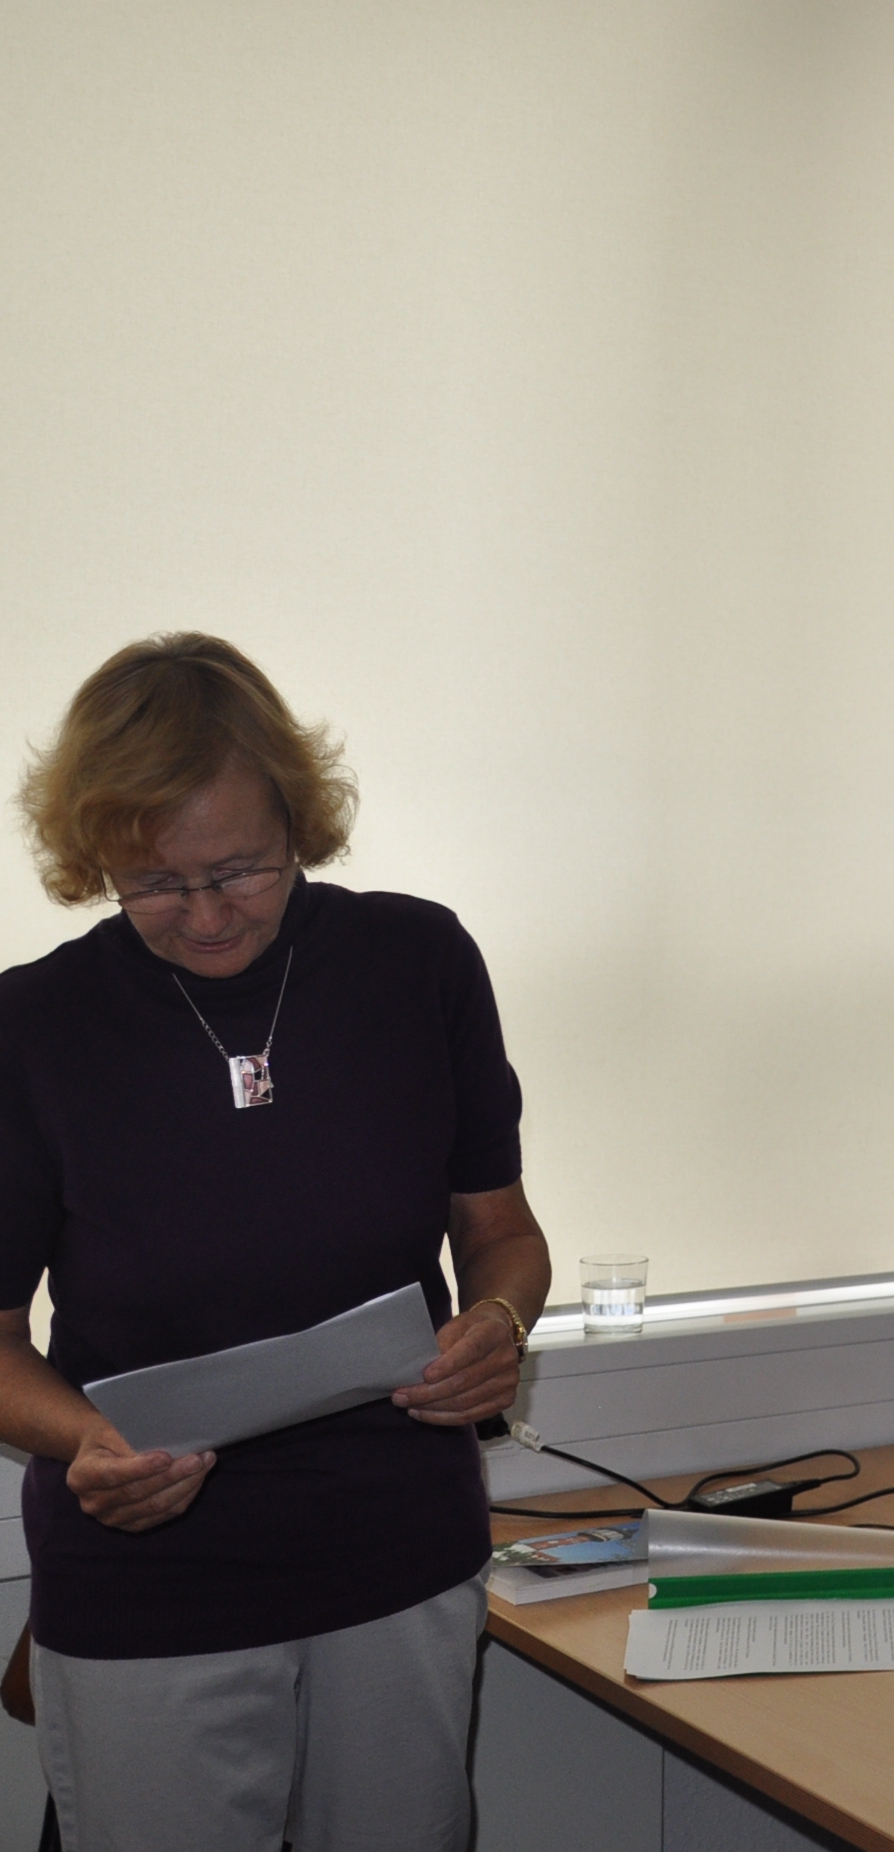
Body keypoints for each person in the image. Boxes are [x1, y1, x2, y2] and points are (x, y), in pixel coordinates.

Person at [0, 634, 551, 1850]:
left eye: (239, 870)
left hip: (397, 1550)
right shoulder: (33, 1026)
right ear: (95, 859)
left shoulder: (418, 961)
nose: (205, 915)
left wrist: (499, 1324)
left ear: (298, 821)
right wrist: (87, 1441)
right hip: (147, 1578)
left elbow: (502, 1230)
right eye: (154, 883)